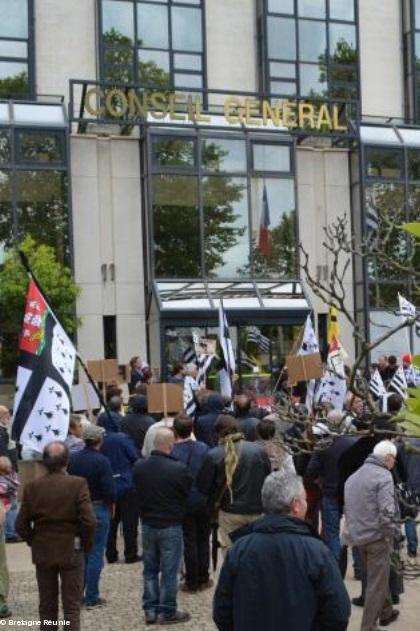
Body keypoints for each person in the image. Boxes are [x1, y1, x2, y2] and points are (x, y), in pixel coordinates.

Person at [213, 469, 351, 631]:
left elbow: (222, 610)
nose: (307, 504)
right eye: (304, 499)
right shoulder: (318, 552)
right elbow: (338, 613)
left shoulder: (239, 550)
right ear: (296, 505)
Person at [16, 442, 96, 631]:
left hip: (43, 548)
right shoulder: (77, 484)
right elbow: (89, 521)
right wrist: (85, 543)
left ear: (44, 461)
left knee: (47, 606)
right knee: (71, 607)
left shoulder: (32, 487)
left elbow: (21, 524)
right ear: (67, 461)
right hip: (71, 548)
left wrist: (34, 540)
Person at [133, 427, 192, 625]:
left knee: (149, 569)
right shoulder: (179, 469)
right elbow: (186, 494)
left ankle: (150, 609)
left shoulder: (139, 467)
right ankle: (167, 611)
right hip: (170, 524)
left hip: (148, 524)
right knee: (169, 570)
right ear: (171, 445)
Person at [344, 440, 399, 631]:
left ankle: (387, 611)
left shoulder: (353, 477)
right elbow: (387, 512)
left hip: (359, 537)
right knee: (376, 584)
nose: (394, 464)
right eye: (394, 460)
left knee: (378, 577)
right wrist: (390, 534)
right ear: (388, 458)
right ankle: (367, 627)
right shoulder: (384, 476)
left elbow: (348, 509)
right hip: (377, 537)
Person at [197, 415, 271, 553]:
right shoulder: (259, 451)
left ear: (218, 433)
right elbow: (268, 477)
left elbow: (203, 487)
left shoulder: (214, 455)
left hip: (230, 512)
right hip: (256, 510)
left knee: (231, 553)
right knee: (254, 552)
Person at [68, 424, 116, 609]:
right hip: (97, 507)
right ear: (99, 441)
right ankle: (92, 596)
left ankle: (78, 593)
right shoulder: (102, 461)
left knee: (82, 553)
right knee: (96, 553)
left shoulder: (73, 459)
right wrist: (111, 502)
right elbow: (109, 489)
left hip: (78, 509)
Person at [304, 413, 357, 562]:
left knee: (331, 532)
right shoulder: (355, 443)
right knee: (357, 528)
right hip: (352, 493)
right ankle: (359, 566)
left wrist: (320, 480)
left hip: (331, 493)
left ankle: (334, 565)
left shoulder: (323, 445)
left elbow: (310, 472)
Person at [171, 414, 211, 593]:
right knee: (203, 539)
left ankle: (192, 580)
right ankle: (203, 577)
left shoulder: (172, 451)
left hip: (184, 500)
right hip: (203, 499)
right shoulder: (203, 448)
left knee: (190, 541)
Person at [100, 430, 140, 564]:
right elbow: (134, 457)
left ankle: (110, 554)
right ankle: (131, 553)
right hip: (126, 483)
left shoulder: (99, 440)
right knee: (130, 522)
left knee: (111, 522)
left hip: (108, 485)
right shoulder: (123, 439)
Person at [0, 456, 19, 543]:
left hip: (5, 499)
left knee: (7, 516)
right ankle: (12, 532)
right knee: (12, 514)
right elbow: (16, 484)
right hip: (12, 497)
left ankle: (9, 533)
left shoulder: (2, 478)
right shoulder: (13, 474)